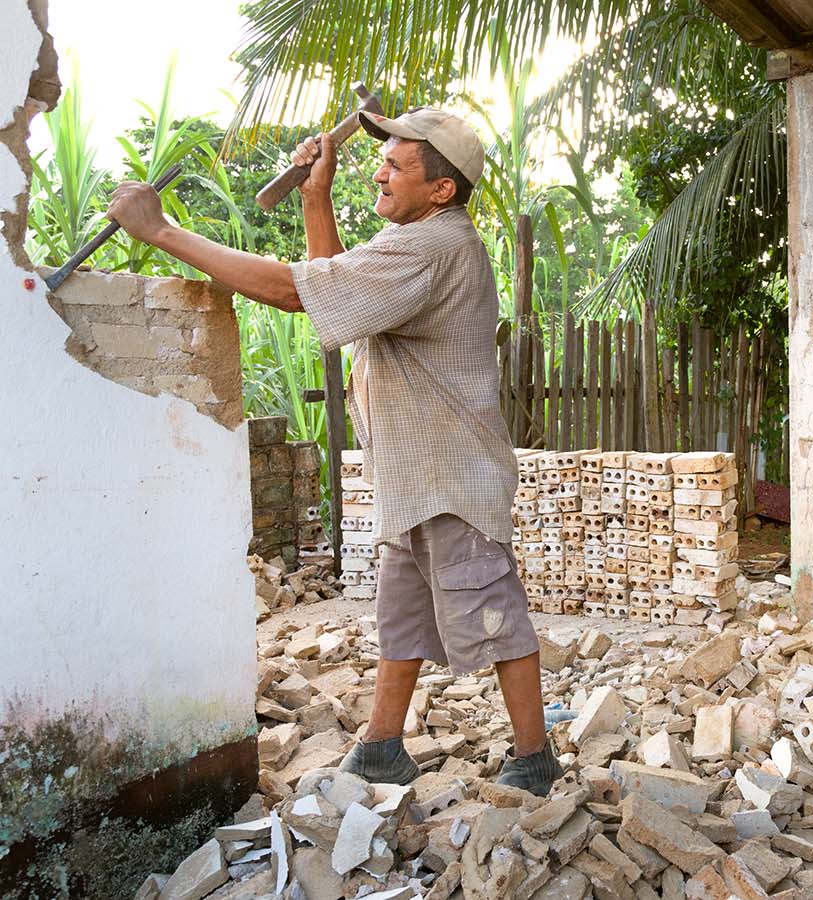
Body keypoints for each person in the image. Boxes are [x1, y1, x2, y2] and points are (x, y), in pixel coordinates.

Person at [107, 107, 562, 795]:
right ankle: (382, 744)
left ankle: (534, 757)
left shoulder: (435, 246)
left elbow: (295, 291)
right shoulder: (412, 239)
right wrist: (316, 197)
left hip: (451, 474)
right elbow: (334, 289)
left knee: (490, 607)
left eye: (398, 165)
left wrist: (162, 231)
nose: (379, 170)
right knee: (402, 613)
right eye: (384, 158)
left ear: (441, 190)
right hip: (417, 472)